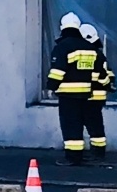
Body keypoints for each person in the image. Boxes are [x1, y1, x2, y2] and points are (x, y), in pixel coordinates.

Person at [46, 12, 100, 164]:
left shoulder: (63, 47)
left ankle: (73, 157)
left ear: (62, 27)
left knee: (71, 125)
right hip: (86, 94)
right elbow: (95, 72)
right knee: (82, 123)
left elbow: (58, 71)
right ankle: (81, 155)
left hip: (68, 94)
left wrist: (51, 87)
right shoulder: (89, 47)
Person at [80, 23, 110, 163]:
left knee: (93, 124)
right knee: (95, 124)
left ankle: (98, 153)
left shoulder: (92, 55)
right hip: (96, 96)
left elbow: (100, 76)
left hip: (90, 96)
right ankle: (98, 151)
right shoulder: (99, 54)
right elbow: (107, 76)